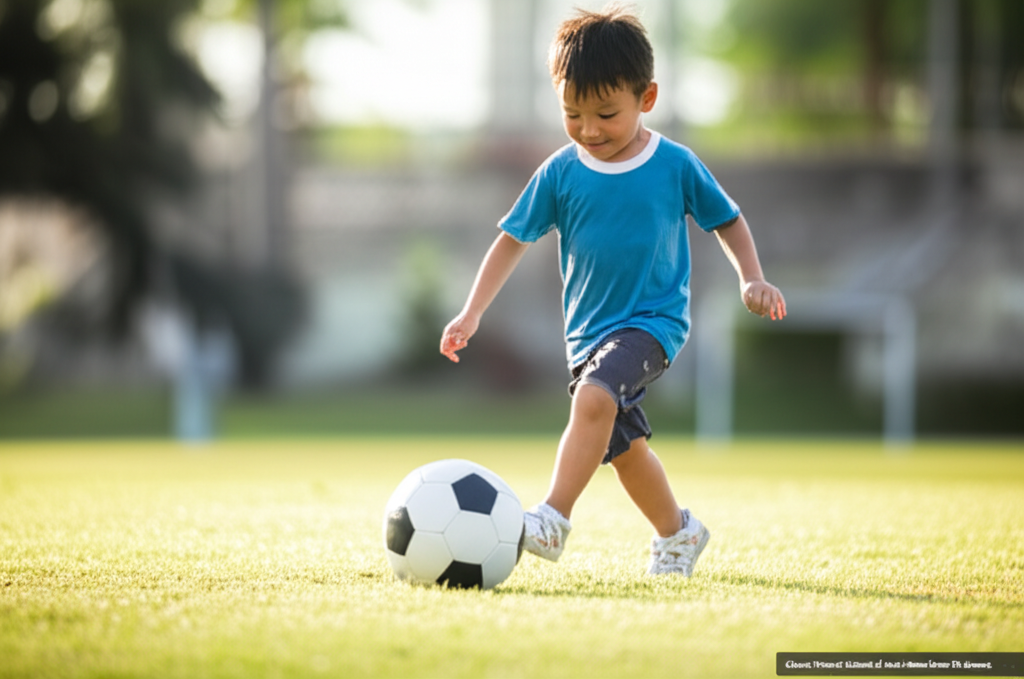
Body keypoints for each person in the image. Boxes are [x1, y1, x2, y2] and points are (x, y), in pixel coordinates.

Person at [439, 5, 786, 576]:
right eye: (572, 114)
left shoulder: (674, 164)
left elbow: (727, 218)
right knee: (624, 451)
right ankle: (679, 533)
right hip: (586, 336)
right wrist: (472, 311)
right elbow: (510, 241)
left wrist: (751, 276)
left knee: (595, 397)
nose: (590, 129)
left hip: (654, 323)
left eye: (606, 112)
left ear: (645, 98)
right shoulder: (559, 172)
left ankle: (552, 516)